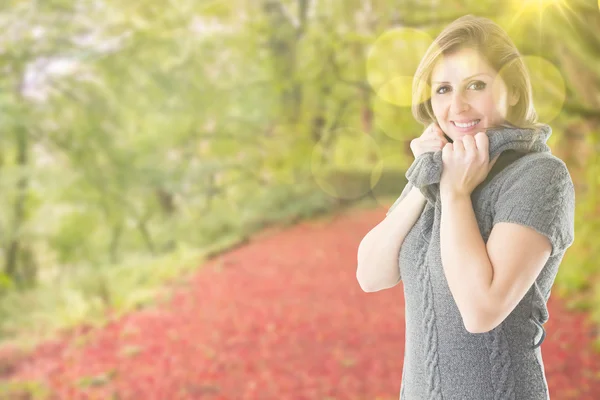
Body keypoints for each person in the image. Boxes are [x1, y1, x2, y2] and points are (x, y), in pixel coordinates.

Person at [356, 14, 575, 399]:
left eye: (476, 85)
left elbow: (481, 311)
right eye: (442, 89)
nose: (457, 106)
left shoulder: (539, 177)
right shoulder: (440, 171)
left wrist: (456, 195)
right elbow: (371, 275)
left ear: (514, 91)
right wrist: (423, 176)